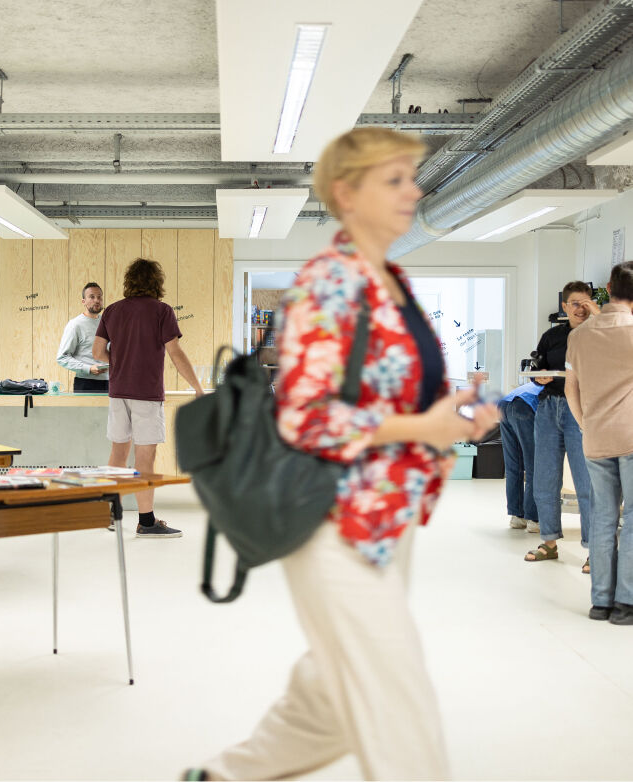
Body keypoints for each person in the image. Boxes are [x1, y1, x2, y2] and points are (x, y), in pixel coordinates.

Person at [183, 128, 499, 782]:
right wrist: (420, 424)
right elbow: (305, 415)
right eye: (394, 180)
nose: (413, 191)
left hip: (390, 515)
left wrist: (456, 421)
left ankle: (223, 776)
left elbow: (403, 400)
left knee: (333, 687)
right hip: (334, 518)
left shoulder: (394, 282)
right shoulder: (329, 282)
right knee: (395, 696)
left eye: (412, 177)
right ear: (344, 194)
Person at [93, 258, 203, 538]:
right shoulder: (162, 311)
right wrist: (198, 388)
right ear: (156, 281)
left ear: (129, 281)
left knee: (117, 454)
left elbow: (97, 352)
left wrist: (119, 363)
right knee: (145, 459)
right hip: (146, 395)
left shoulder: (113, 311)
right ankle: (146, 521)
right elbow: (175, 353)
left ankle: (107, 513)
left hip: (118, 393)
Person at [566, 261, 633, 624]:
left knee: (603, 518)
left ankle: (601, 603)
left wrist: (585, 425)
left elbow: (570, 388)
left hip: (596, 437)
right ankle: (626, 604)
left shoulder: (579, 335)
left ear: (608, 287)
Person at [525, 281, 593, 569]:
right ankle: (549, 542)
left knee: (587, 481)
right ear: (564, 307)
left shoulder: (599, 335)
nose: (580, 308)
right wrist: (536, 376)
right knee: (544, 478)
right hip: (548, 408)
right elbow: (535, 367)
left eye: (585, 303)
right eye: (574, 303)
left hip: (582, 409)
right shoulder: (552, 336)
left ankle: (595, 549)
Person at [498, 381, 543, 533]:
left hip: (504, 404)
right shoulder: (563, 385)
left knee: (513, 466)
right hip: (524, 406)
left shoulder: (542, 379)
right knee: (534, 466)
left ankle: (517, 517)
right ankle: (534, 519)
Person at [57, 282, 110, 392]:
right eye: (92, 297)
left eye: (99, 297)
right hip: (86, 383)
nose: (96, 300)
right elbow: (62, 357)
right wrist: (88, 369)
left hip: (110, 382)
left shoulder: (107, 323)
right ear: (83, 301)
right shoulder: (75, 325)